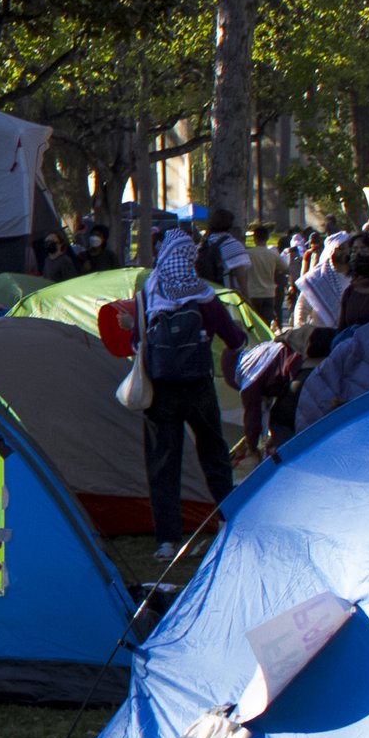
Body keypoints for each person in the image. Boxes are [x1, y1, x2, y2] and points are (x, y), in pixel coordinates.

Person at [133, 229, 247, 564]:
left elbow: (134, 343)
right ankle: (231, 519)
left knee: (163, 464)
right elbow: (235, 338)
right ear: (190, 258)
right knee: (214, 453)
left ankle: (167, 541)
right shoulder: (202, 294)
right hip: (198, 386)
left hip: (160, 391)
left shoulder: (147, 293)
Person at [290, 232, 351, 329]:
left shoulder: (357, 276)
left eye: (347, 248)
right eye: (340, 248)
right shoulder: (316, 278)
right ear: (331, 251)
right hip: (322, 334)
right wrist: (300, 329)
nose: (344, 251)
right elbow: (302, 306)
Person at [193, 209, 254, 298]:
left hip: (205, 296)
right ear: (230, 225)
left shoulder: (202, 245)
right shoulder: (233, 245)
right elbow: (241, 277)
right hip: (227, 296)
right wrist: (248, 300)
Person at [241, 223, 285, 323]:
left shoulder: (248, 254)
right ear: (267, 237)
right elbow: (286, 269)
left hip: (253, 293)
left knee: (255, 322)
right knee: (267, 323)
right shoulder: (273, 254)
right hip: (269, 293)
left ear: (254, 238)